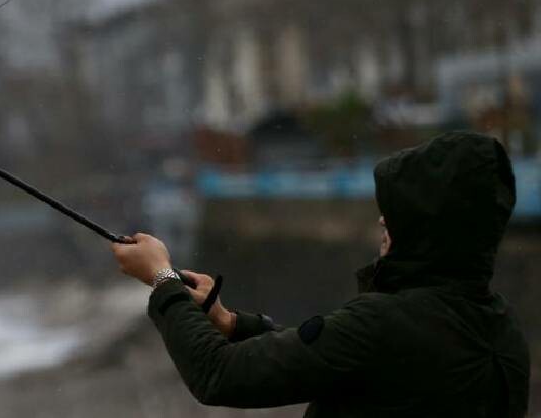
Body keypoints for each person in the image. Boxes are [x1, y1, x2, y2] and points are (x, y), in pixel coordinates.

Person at [111, 131, 530, 416]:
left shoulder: (382, 326)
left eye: (399, 213)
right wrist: (232, 323)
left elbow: (220, 374)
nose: (383, 221)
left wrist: (162, 279)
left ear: (430, 227)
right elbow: (342, 360)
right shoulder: (502, 332)